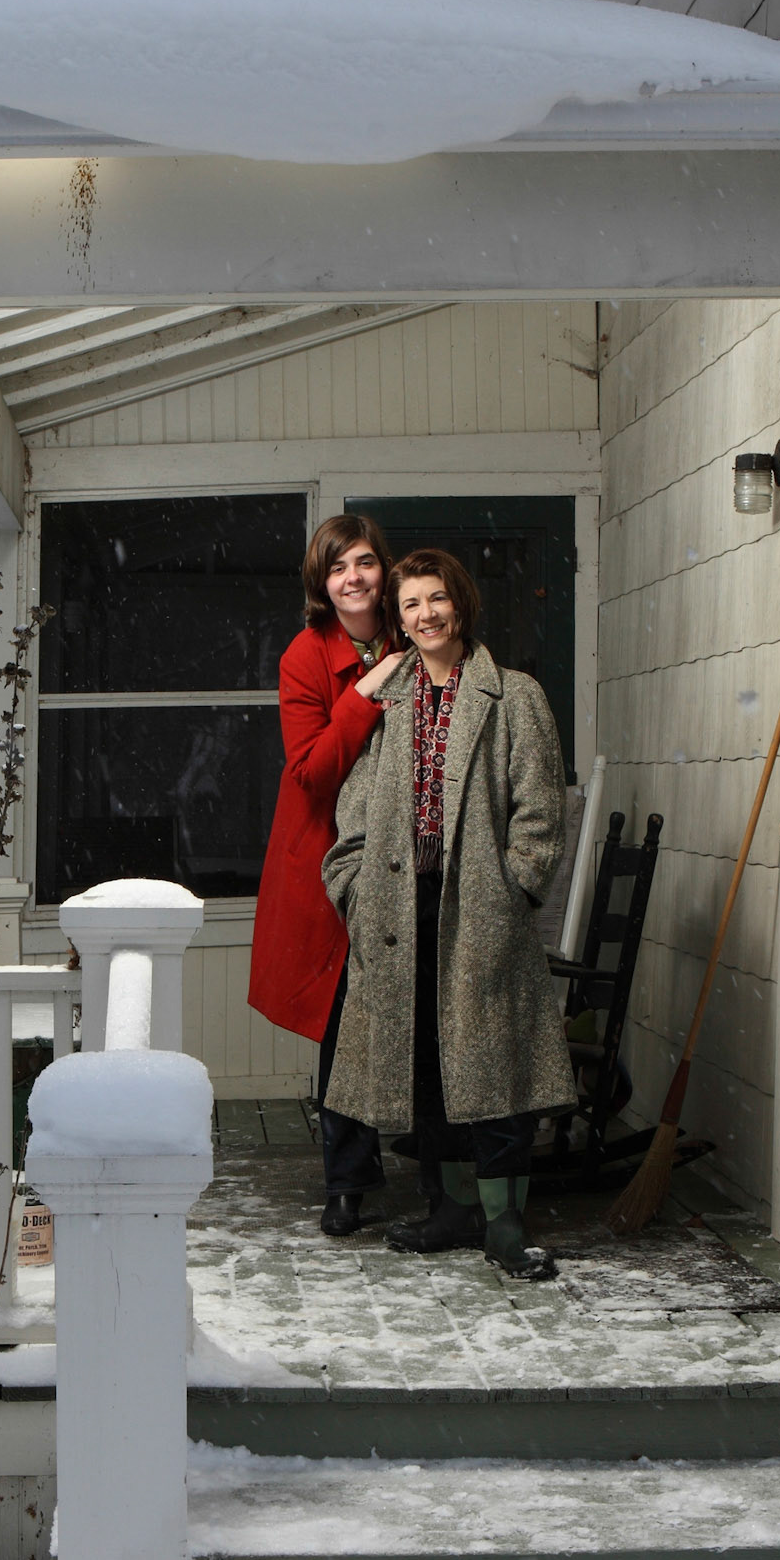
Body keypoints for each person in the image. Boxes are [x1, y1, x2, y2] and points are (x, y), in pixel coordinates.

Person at [321, 549, 573, 1282]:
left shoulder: (512, 695)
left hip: (481, 908)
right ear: (398, 621)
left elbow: (540, 811)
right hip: (402, 909)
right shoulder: (390, 702)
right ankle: (450, 1207)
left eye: (436, 600)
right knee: (425, 1068)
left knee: (494, 1071)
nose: (425, 614)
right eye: (410, 606)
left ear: (459, 605)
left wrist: (514, 889)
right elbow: (353, 815)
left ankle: (503, 1224)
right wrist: (354, 891)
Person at [248, 513, 406, 1236]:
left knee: (419, 1013)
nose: (354, 578)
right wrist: (367, 687)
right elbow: (310, 772)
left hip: (410, 856)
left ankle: (438, 1169)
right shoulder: (306, 657)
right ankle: (346, 1180)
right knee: (347, 1024)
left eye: (365, 563)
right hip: (332, 865)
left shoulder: (416, 631)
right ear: (322, 582)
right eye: (338, 567)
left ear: (385, 569)